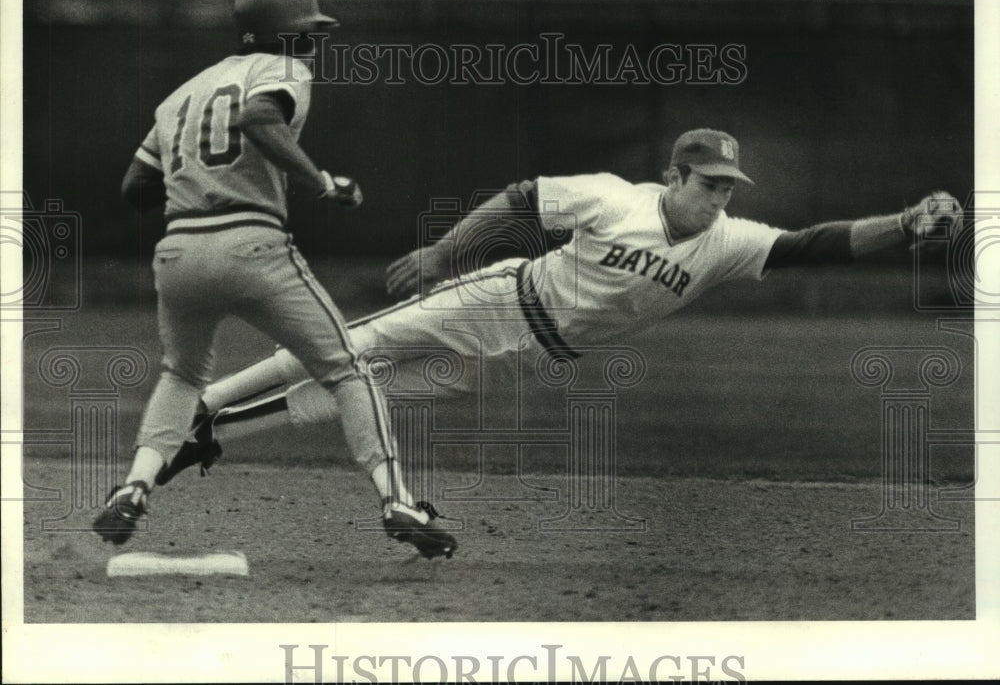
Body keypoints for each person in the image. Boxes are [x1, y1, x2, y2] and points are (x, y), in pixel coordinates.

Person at [155, 127, 963, 478]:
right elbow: (520, 200)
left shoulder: (728, 243)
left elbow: (814, 242)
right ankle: (206, 396)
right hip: (495, 302)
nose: (720, 198)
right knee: (349, 344)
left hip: (533, 360)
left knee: (365, 393)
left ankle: (217, 434)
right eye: (709, 183)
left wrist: (901, 224)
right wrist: (446, 250)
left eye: (729, 187)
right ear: (675, 175)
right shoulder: (616, 197)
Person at [92, 0, 457, 560]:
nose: (314, 43)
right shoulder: (280, 69)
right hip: (253, 244)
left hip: (179, 251)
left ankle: (135, 485)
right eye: (306, 32)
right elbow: (259, 118)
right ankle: (398, 501)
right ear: (280, 35)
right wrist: (321, 181)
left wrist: (197, 195)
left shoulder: (178, 95)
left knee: (182, 376)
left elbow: (135, 187)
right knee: (347, 370)